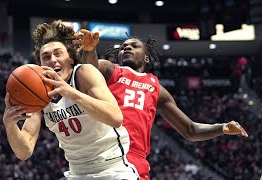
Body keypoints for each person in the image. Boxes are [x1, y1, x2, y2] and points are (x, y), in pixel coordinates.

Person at [74, 29, 249, 180]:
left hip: (135, 158)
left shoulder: (157, 88)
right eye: (123, 47)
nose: (126, 47)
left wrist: (222, 127)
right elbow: (87, 77)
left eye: (134, 46)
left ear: (147, 59)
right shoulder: (110, 69)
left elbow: (190, 130)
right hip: (103, 151)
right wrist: (89, 50)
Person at [2, 21, 139, 179]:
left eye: (58, 53)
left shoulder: (84, 73)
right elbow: (24, 152)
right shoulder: (39, 95)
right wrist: (10, 125)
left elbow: (115, 118)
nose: (52, 60)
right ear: (40, 65)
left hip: (113, 169)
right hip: (76, 172)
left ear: (71, 59)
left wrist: (72, 93)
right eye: (45, 57)